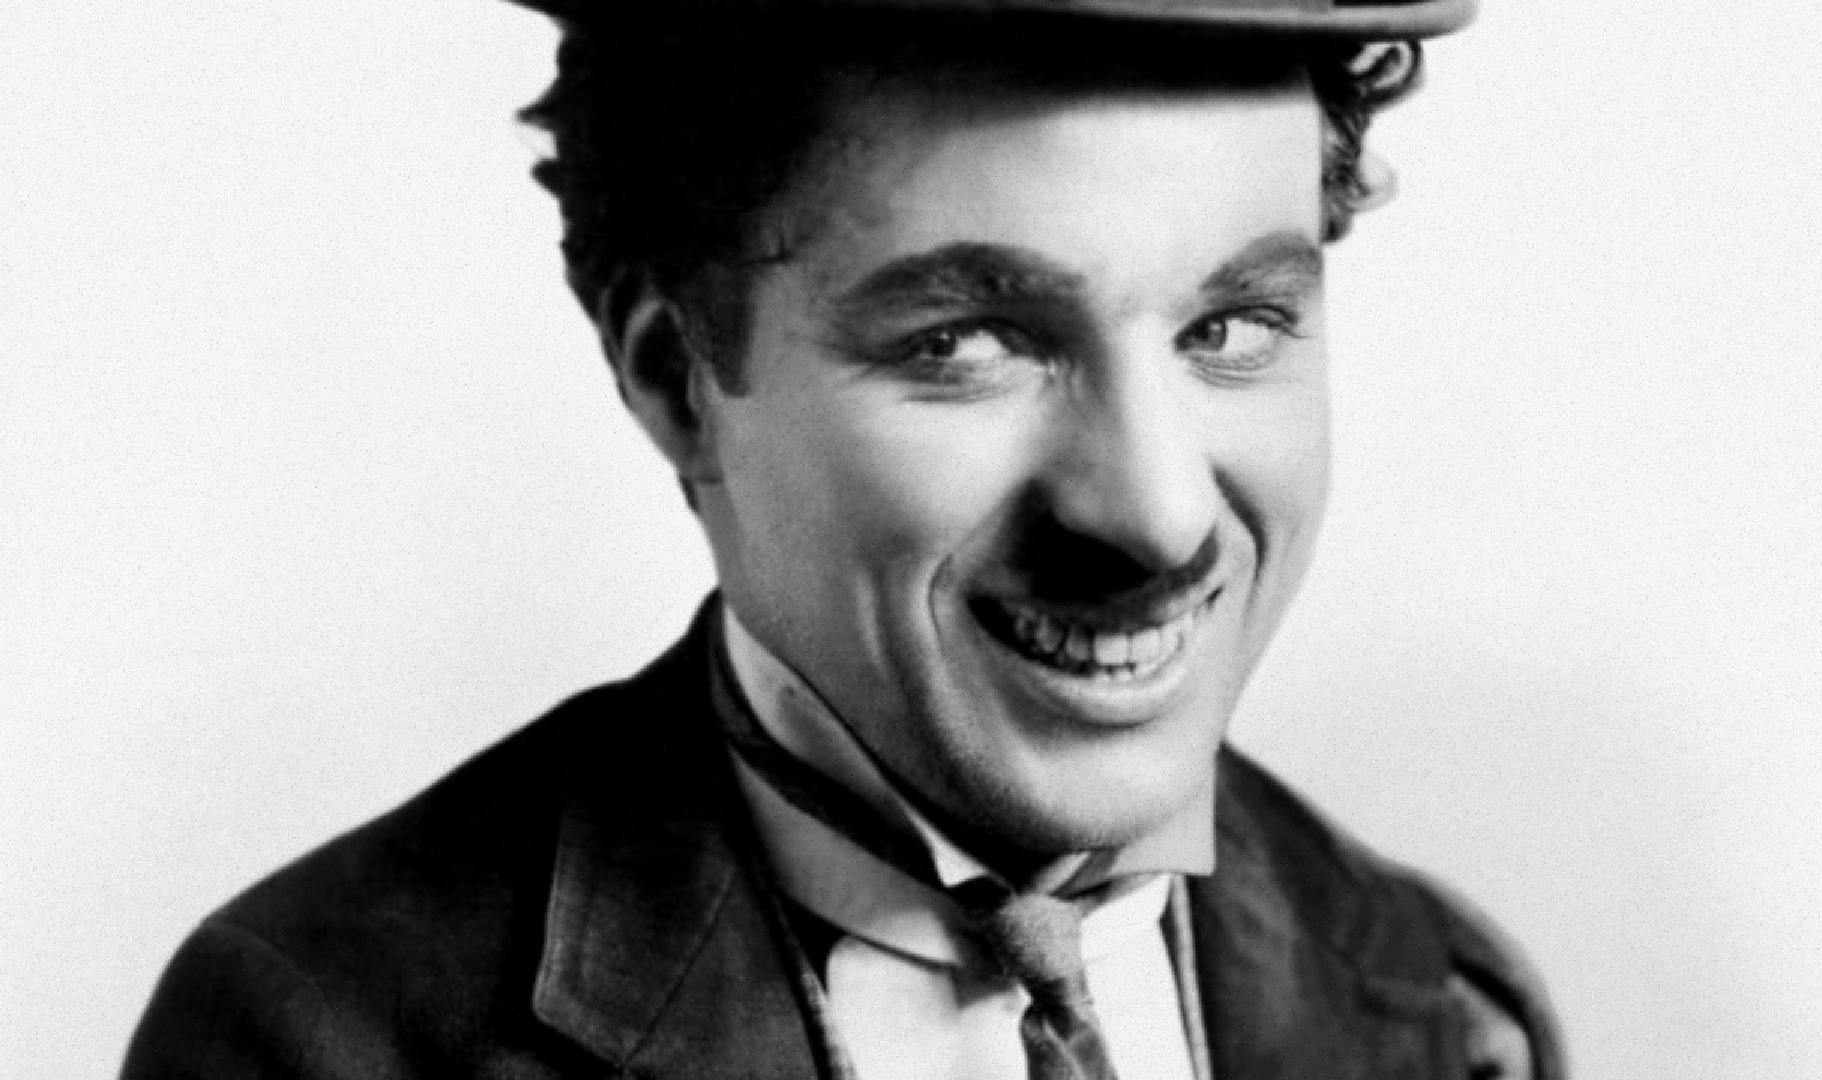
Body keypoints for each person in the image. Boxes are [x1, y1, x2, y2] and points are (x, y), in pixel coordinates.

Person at [121, 0, 1564, 1077]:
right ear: (675, 378)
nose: (1158, 512)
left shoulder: (1447, 1013)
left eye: (1233, 327)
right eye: (969, 342)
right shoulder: (323, 1038)